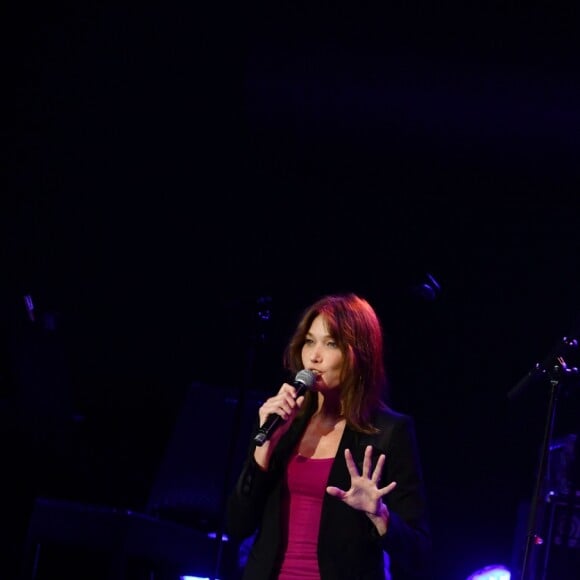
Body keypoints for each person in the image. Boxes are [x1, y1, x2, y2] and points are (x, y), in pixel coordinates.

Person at [226, 292, 431, 579]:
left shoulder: (388, 432)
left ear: (358, 353)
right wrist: (263, 452)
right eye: (309, 341)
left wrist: (380, 515)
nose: (314, 356)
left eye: (330, 343)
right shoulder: (283, 422)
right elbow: (237, 525)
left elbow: (419, 552)